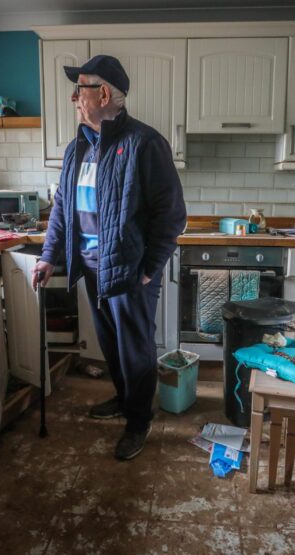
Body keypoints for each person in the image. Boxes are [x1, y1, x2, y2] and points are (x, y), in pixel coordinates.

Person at [32, 55, 186, 461]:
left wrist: (150, 270)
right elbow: (63, 208)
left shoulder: (144, 143)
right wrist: (49, 256)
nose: (73, 97)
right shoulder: (77, 147)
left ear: (103, 94)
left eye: (79, 88)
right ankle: (124, 400)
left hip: (130, 270)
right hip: (92, 267)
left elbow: (171, 217)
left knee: (135, 350)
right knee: (111, 347)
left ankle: (139, 421)